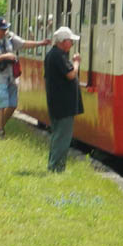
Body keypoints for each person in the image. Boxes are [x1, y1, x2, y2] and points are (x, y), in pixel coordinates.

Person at [0, 17, 49, 139]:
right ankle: (0, 131)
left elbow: (23, 44)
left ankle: (0, 125)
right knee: (1, 102)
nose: (5, 31)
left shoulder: (9, 38)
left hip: (11, 75)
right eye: (2, 29)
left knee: (13, 104)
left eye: (6, 28)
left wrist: (41, 43)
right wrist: (4, 57)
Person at [44, 26, 85, 172]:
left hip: (59, 104)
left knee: (59, 136)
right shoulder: (58, 56)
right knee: (62, 137)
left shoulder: (54, 55)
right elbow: (71, 75)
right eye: (70, 41)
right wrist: (76, 62)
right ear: (62, 41)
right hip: (63, 105)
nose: (72, 44)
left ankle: (54, 165)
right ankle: (56, 168)